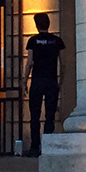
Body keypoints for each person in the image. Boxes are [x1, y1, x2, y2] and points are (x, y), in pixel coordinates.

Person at [23, 13, 65, 156]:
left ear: (36, 25)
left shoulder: (33, 41)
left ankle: (35, 147)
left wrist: (24, 81)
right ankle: (48, 146)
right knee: (50, 115)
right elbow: (63, 64)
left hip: (37, 81)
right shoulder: (57, 41)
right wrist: (60, 82)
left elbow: (29, 63)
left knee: (35, 116)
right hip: (51, 81)